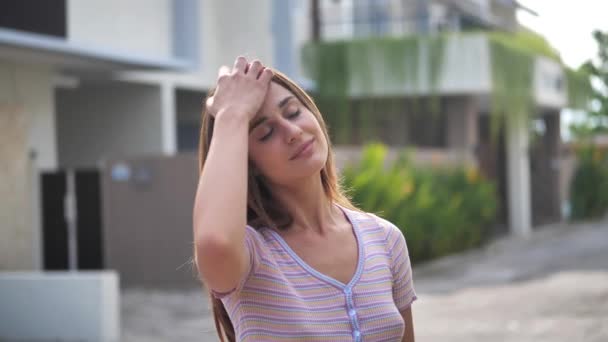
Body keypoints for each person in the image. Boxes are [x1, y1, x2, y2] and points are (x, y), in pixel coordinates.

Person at [193, 56, 417, 342]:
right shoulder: (253, 255)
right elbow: (215, 243)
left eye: (293, 112)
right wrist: (231, 115)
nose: (293, 132)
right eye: (266, 133)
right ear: (249, 166)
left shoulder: (385, 240)